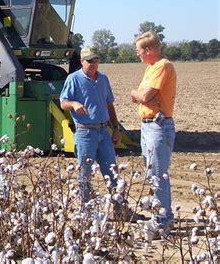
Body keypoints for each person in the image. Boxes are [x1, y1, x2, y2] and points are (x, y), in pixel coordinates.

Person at [60, 46, 122, 204]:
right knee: (85, 173)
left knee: (112, 170)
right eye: (90, 61)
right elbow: (63, 103)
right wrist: (73, 104)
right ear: (82, 62)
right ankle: (85, 210)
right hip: (85, 133)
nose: (94, 64)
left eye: (96, 60)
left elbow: (109, 105)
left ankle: (120, 207)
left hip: (103, 131)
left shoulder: (103, 79)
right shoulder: (73, 79)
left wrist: (115, 129)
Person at [130, 31, 177, 230]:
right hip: (148, 126)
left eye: (139, 50)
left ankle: (162, 221)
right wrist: (139, 95)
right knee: (152, 175)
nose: (137, 54)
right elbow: (143, 97)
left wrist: (137, 94)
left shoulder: (163, 66)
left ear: (148, 50)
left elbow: (146, 95)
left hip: (158, 126)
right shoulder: (151, 68)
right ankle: (162, 216)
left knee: (158, 175)